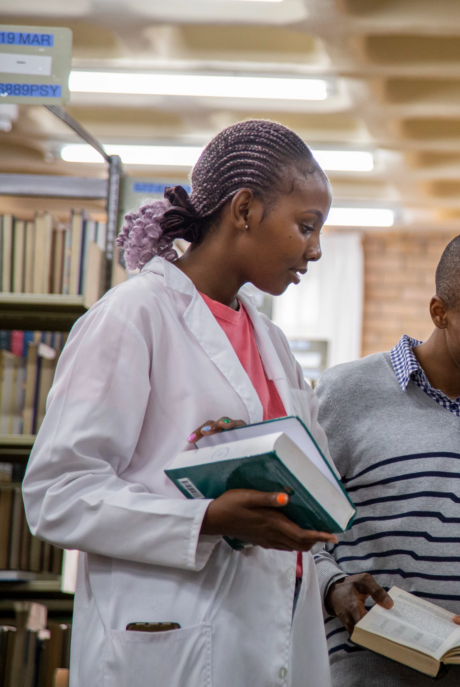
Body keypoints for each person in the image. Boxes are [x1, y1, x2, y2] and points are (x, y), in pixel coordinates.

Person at [22, 120, 338, 686]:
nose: (315, 250)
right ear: (244, 210)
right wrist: (206, 518)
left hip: (269, 632)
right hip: (168, 642)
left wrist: (324, 566)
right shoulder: (133, 316)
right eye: (306, 227)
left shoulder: (274, 346)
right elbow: (57, 493)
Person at [313, 227, 460, 687]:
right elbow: (301, 528)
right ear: (439, 313)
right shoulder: (343, 393)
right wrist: (332, 586)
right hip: (358, 671)